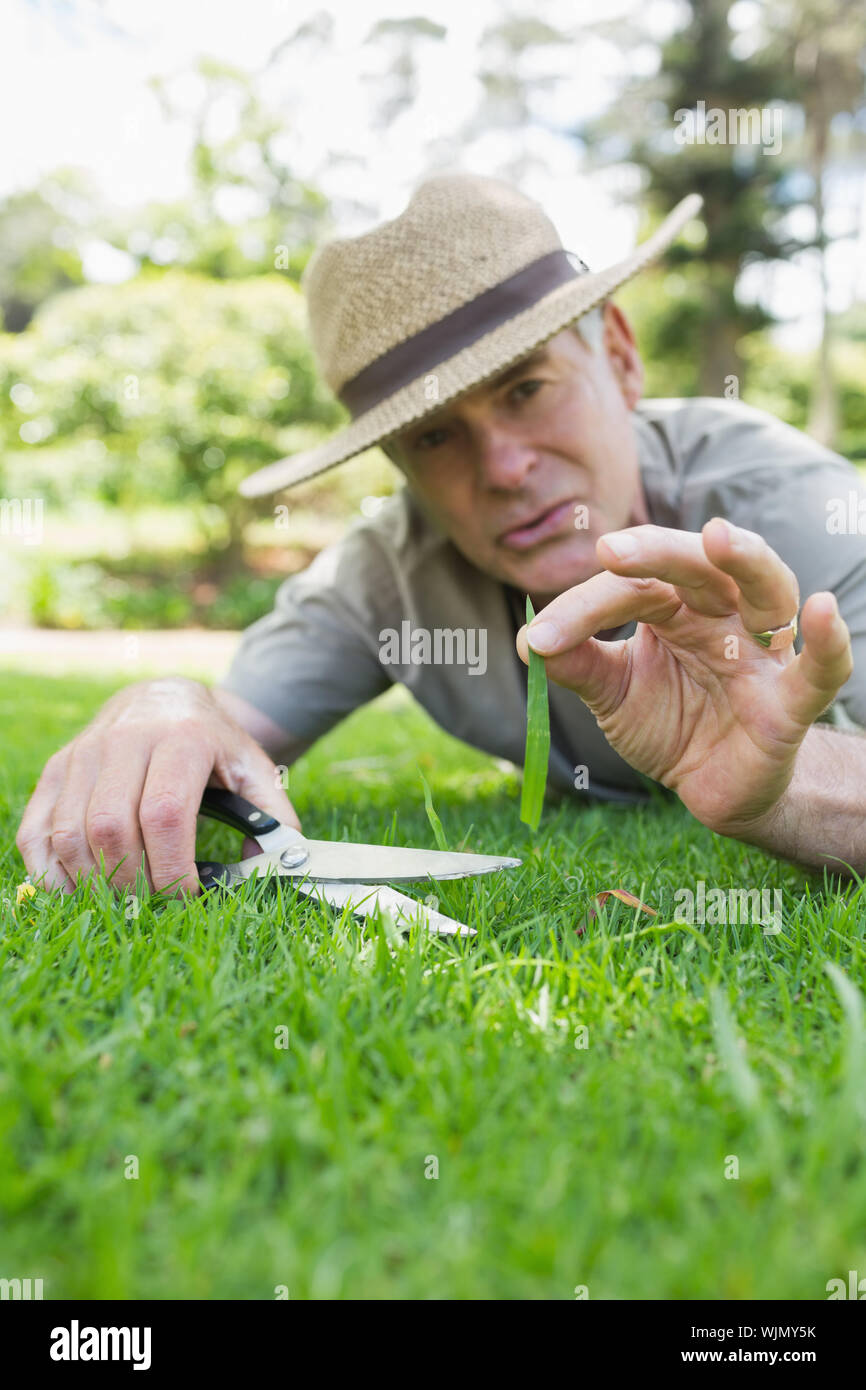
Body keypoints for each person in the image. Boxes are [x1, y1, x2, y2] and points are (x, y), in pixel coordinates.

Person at [16, 174, 866, 895]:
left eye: (527, 388)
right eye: (432, 436)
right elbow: (224, 725)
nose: (500, 468)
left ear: (618, 354)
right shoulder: (389, 575)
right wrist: (160, 702)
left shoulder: (793, 515)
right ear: (397, 463)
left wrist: (782, 788)